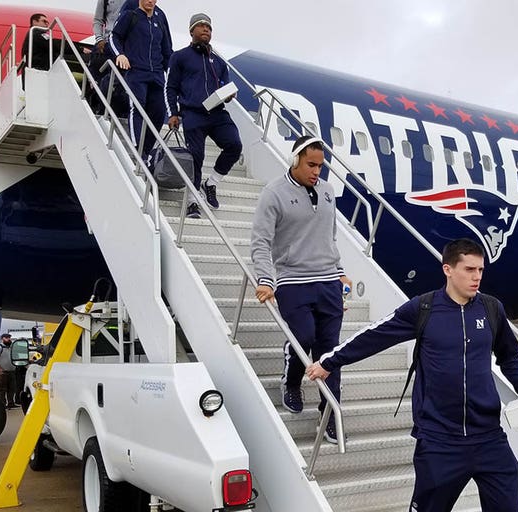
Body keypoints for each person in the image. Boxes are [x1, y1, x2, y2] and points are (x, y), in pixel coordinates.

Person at [305, 238, 518, 512]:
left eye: (480, 270)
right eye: (469, 270)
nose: (477, 277)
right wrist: (330, 361)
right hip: (440, 441)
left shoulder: (490, 309)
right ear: (448, 269)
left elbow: (509, 355)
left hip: (489, 437)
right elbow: (375, 335)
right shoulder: (424, 308)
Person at [250, 135, 351, 442]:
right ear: (295, 159)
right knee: (303, 337)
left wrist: (340, 273)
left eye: (320, 165)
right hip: (292, 280)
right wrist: (266, 279)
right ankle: (291, 382)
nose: (316, 171)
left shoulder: (328, 192)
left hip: (328, 282)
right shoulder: (274, 193)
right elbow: (260, 242)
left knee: (330, 352)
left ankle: (330, 415)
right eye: (311, 164)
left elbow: (329, 238)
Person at [165, 13, 242, 218]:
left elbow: (225, 86)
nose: (206, 29)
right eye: (201, 26)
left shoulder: (218, 62)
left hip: (217, 113)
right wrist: (173, 113)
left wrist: (229, 95)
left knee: (235, 145)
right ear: (192, 31)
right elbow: (170, 87)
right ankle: (192, 203)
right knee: (196, 157)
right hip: (192, 114)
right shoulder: (180, 56)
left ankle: (211, 184)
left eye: (208, 27)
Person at [109, 0, 172, 164]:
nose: (150, 0)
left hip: (157, 74)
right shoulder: (131, 15)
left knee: (159, 113)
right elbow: (114, 36)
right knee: (137, 108)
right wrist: (120, 55)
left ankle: (146, 150)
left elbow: (166, 48)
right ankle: (138, 151)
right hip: (136, 71)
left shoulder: (160, 18)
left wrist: (172, 74)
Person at [0, 333, 17, 408]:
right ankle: (2, 404)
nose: (9, 339)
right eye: (7, 338)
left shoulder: (11, 348)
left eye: (9, 337)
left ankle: (11, 403)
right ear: (2, 339)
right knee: (2, 389)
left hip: (11, 371)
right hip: (2, 372)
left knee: (12, 388)